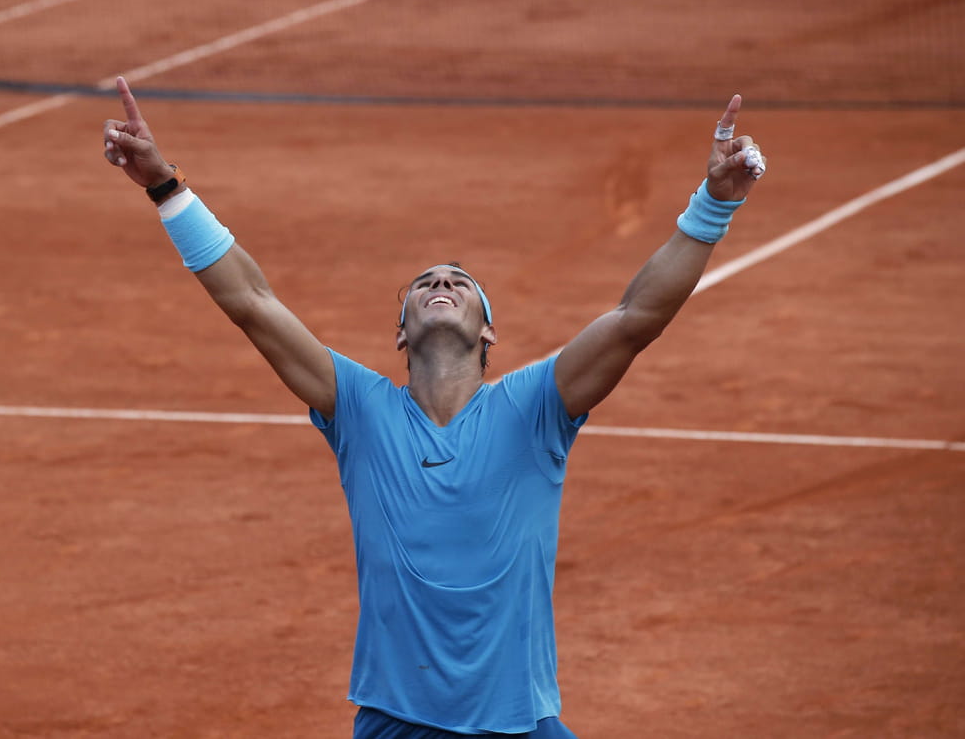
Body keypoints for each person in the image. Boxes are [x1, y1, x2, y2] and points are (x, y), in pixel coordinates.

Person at [102, 77, 766, 738]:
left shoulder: (536, 406)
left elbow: (634, 318)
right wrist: (166, 187)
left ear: (488, 333)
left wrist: (713, 205)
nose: (441, 283)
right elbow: (252, 302)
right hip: (398, 723)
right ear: (400, 333)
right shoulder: (359, 408)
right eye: (424, 284)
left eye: (459, 283)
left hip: (521, 724)